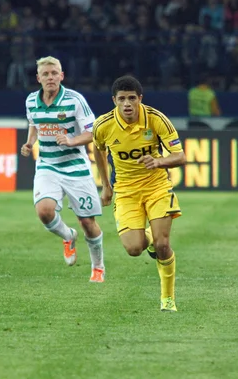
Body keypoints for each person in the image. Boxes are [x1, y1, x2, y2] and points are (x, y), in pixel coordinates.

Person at [92, 76, 186, 311]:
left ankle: (168, 300)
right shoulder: (103, 125)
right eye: (122, 99)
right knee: (134, 249)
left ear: (140, 99)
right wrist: (105, 185)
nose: (127, 104)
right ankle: (150, 236)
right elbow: (98, 149)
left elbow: (181, 156)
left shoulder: (155, 119)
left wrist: (159, 161)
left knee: (163, 245)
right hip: (126, 191)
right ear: (114, 100)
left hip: (157, 187)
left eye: (132, 98)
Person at [20, 56, 105, 283]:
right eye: (46, 74)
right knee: (44, 212)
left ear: (61, 76)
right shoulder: (30, 101)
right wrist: (30, 143)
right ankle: (68, 236)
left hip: (75, 167)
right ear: (38, 78)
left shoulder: (75, 100)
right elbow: (33, 124)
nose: (50, 77)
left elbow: (93, 133)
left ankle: (98, 267)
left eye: (54, 73)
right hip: (47, 165)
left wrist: (72, 140)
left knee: (88, 222)